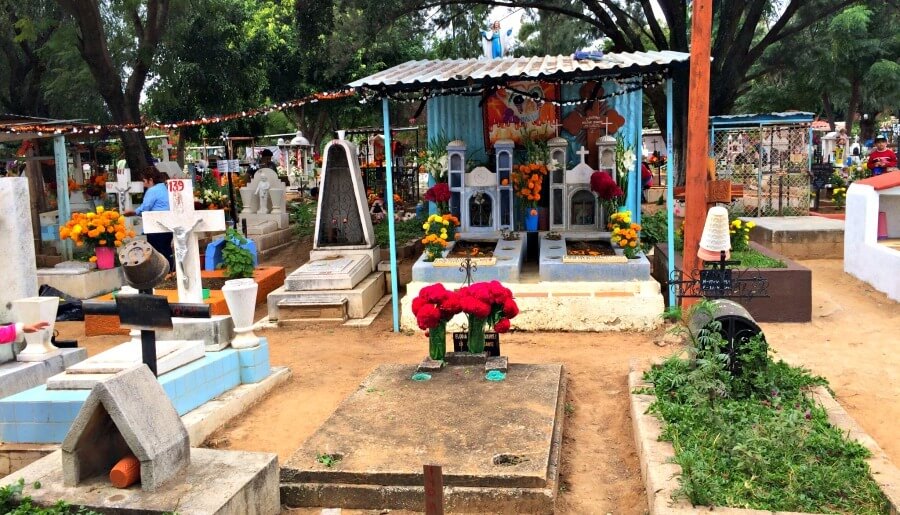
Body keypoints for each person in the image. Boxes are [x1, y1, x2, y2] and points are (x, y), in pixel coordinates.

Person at [124, 166, 174, 272]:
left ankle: (162, 273)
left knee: (157, 252)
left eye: (144, 181)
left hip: (155, 227)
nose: (143, 184)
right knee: (166, 249)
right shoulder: (164, 188)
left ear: (150, 180)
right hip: (167, 225)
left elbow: (145, 208)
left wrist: (133, 212)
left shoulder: (152, 191)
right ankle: (170, 272)